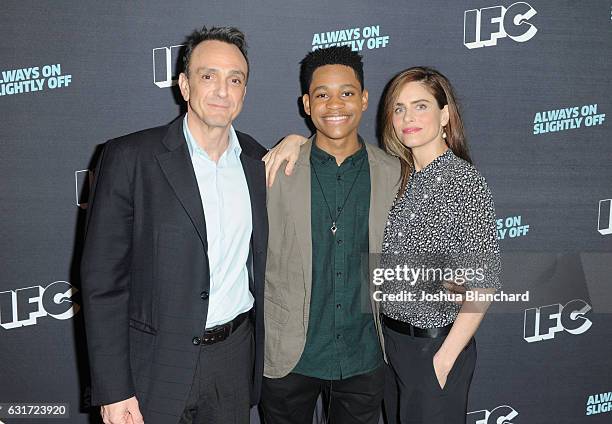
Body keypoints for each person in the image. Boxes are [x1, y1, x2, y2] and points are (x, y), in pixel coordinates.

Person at [80, 26, 268, 424]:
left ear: (244, 91)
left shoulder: (257, 160)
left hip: (233, 360)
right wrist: (114, 389)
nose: (222, 90)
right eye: (208, 76)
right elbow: (103, 283)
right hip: (154, 363)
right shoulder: (129, 157)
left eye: (235, 79)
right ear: (184, 85)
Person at [259, 46, 400, 424]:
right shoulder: (274, 171)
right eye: (322, 94)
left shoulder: (394, 173)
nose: (334, 104)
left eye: (347, 93)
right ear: (306, 103)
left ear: (365, 99)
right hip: (289, 356)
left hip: (364, 353)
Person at [379, 67, 501, 424]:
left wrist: (444, 359)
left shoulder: (465, 183)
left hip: (434, 347)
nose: (408, 117)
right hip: (391, 346)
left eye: (420, 106)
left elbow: (484, 283)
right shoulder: (398, 177)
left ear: (444, 114)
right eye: (399, 108)